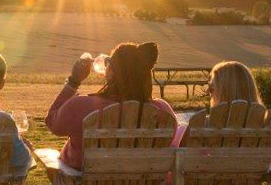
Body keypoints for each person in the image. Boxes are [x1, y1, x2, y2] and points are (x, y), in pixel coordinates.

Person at [46, 42, 178, 170]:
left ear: (113, 71)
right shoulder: (163, 111)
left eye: (108, 62)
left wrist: (73, 81)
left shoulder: (81, 105)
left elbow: (52, 122)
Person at [175, 60, 271, 160]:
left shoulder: (201, 124)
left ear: (223, 92)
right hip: (248, 179)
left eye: (211, 88)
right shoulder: (263, 125)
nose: (208, 93)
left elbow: (179, 158)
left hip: (207, 178)